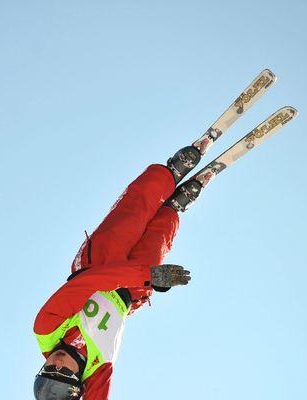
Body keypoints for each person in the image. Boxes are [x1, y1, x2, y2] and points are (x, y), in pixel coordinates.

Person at [33, 145, 203, 400]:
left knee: (132, 216)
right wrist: (147, 278)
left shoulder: (47, 330)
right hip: (127, 294)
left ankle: (169, 174)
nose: (55, 363)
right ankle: (173, 207)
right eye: (62, 372)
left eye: (48, 370)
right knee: (157, 240)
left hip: (99, 264)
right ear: (77, 381)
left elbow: (88, 283)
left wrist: (147, 275)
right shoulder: (98, 370)